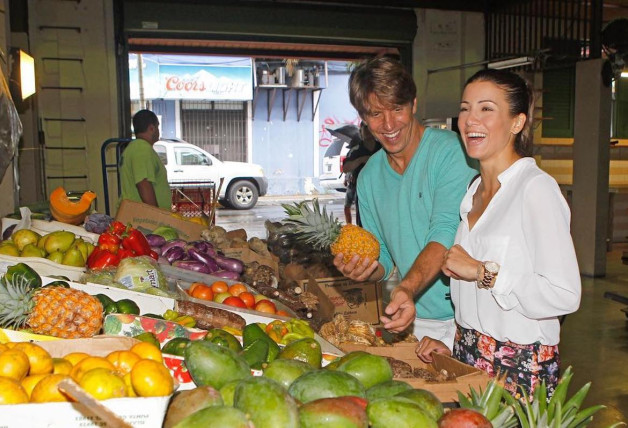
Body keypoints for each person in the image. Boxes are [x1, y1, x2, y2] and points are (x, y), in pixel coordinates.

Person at [415, 69, 581, 398]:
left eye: (486, 109)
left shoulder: (535, 189)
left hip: (520, 366)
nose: (470, 120)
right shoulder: (473, 192)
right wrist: (452, 342)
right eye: (465, 108)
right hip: (468, 354)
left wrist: (482, 271)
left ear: (517, 122)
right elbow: (481, 303)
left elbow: (565, 294)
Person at [333, 56, 477, 349]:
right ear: (362, 116)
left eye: (397, 109)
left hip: (467, 318)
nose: (388, 124)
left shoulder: (450, 153)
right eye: (375, 114)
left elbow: (446, 232)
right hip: (411, 318)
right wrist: (364, 269)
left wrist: (406, 288)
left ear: (413, 104)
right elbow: (383, 255)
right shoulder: (369, 177)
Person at [119, 109, 172, 210]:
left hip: (138, 216)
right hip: (143, 219)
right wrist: (157, 216)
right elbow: (143, 184)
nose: (158, 131)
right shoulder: (141, 149)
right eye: (157, 126)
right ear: (152, 128)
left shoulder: (134, 148)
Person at [342, 122, 381, 225]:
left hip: (381, 190)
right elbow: (345, 168)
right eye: (365, 128)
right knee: (363, 221)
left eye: (370, 127)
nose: (368, 131)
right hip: (361, 191)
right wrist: (361, 160)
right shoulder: (356, 150)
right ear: (360, 132)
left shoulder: (382, 148)